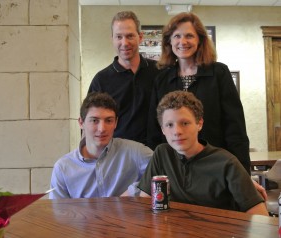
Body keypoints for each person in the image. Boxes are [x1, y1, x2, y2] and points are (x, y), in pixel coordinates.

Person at [147, 12, 251, 174]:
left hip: (215, 165)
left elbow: (235, 127)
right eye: (177, 36)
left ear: (200, 40)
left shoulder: (219, 73)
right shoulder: (161, 79)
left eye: (189, 36)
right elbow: (154, 129)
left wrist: (244, 173)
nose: (182, 41)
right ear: (169, 41)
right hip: (174, 168)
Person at [138, 91, 268, 216]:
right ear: (162, 130)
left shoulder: (226, 163)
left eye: (185, 123)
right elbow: (145, 203)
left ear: (199, 124)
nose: (177, 131)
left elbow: (260, 216)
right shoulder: (162, 154)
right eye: (169, 125)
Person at [49, 92, 152, 199]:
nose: (102, 129)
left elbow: (164, 172)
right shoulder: (63, 168)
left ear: (116, 123)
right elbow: (58, 212)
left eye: (109, 120)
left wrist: (132, 192)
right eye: (94, 120)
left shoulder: (136, 152)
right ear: (81, 122)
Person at [88, 11, 160, 145]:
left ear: (140, 37)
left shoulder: (159, 72)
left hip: (156, 156)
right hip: (117, 157)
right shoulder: (101, 80)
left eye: (130, 36)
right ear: (112, 39)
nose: (124, 43)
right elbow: (90, 122)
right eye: (119, 37)